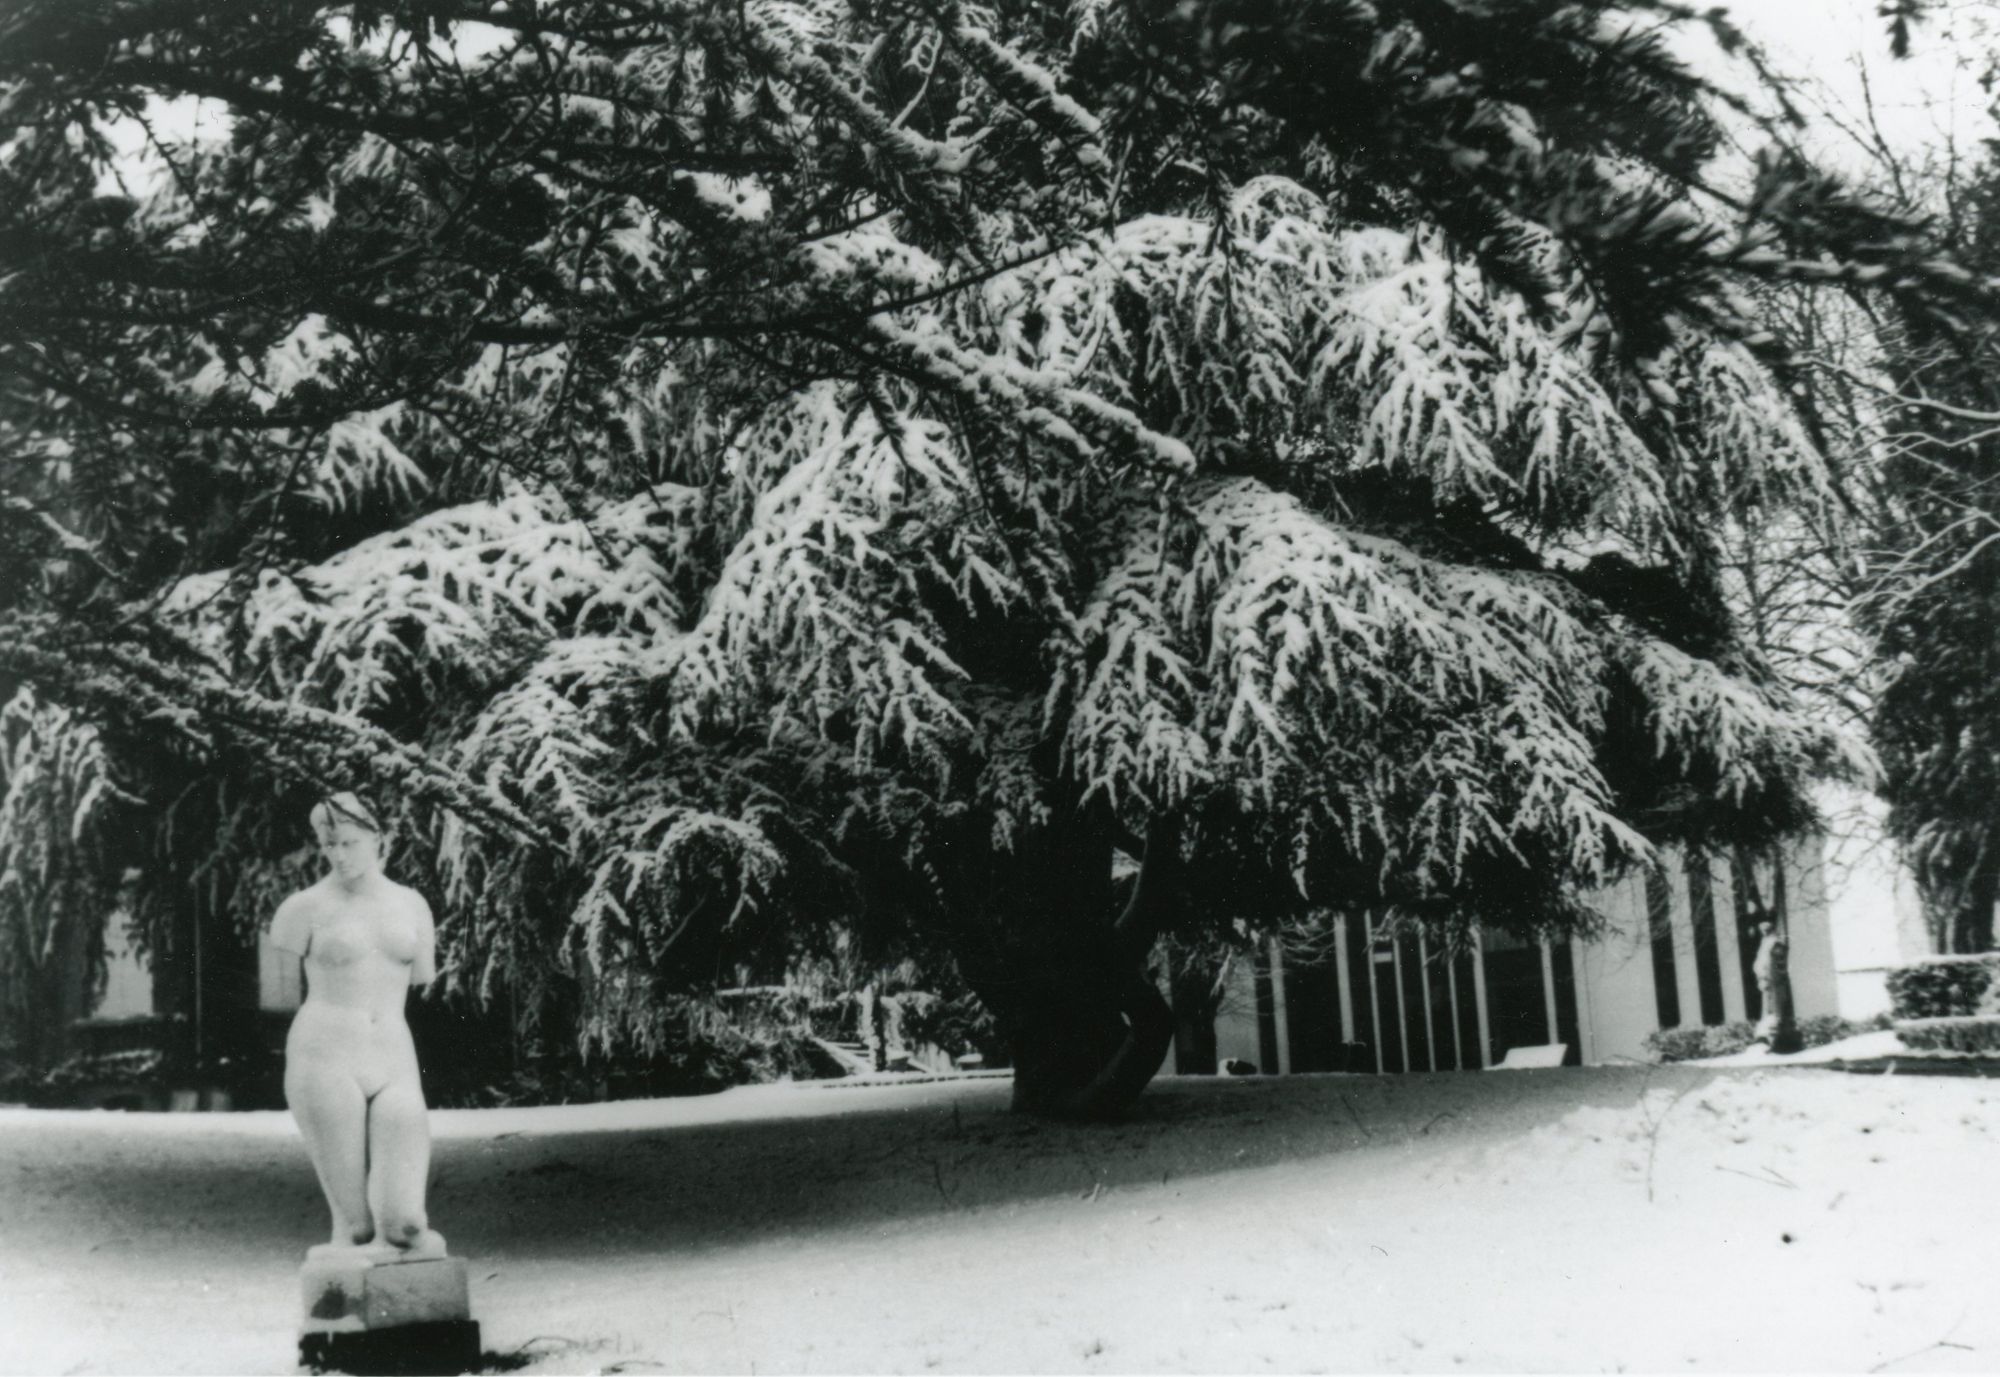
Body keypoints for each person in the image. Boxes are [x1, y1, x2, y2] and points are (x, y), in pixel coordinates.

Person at [269, 793, 444, 1256]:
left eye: (349, 842)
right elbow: (284, 989)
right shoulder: (302, 909)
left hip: (392, 1055)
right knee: (358, 1230)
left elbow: (422, 975)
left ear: (377, 840)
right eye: (328, 845)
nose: (338, 855)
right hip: (325, 1054)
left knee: (406, 1226)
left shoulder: (411, 905)